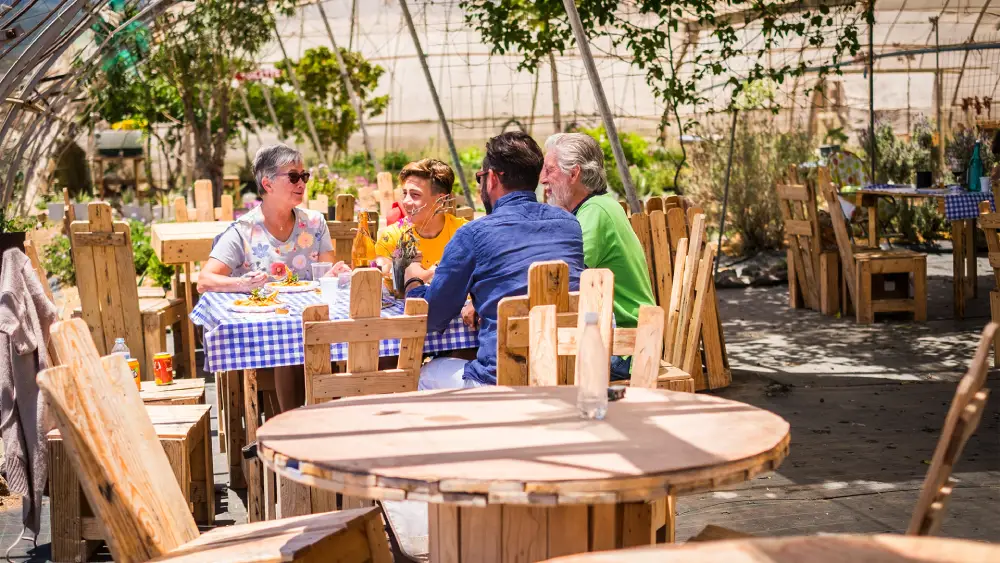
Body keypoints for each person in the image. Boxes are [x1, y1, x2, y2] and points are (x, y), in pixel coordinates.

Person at [403, 131, 585, 388]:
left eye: (480, 178)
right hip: (566, 377)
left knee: (423, 375)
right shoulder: (569, 225)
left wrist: (412, 280)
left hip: (500, 383)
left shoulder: (473, 234)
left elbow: (432, 318)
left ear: (492, 178)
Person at [199, 143, 348, 411]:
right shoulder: (243, 230)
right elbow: (205, 281)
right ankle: (291, 426)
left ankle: (326, 422)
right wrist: (242, 284)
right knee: (291, 344)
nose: (301, 182)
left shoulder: (315, 223)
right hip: (267, 334)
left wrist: (335, 273)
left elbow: (327, 272)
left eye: (304, 175)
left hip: (313, 324)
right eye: (293, 176)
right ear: (267, 184)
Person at [541, 133, 655, 380]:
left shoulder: (595, 213)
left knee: (540, 366)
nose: (542, 179)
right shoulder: (600, 206)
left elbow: (561, 279)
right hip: (626, 340)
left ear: (574, 174)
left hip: (625, 348)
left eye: (549, 170)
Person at [374, 159, 468, 273]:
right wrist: (390, 266)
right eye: (405, 193)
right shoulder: (392, 236)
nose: (406, 201)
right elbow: (382, 273)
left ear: (441, 199)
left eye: (415, 194)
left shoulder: (464, 233)